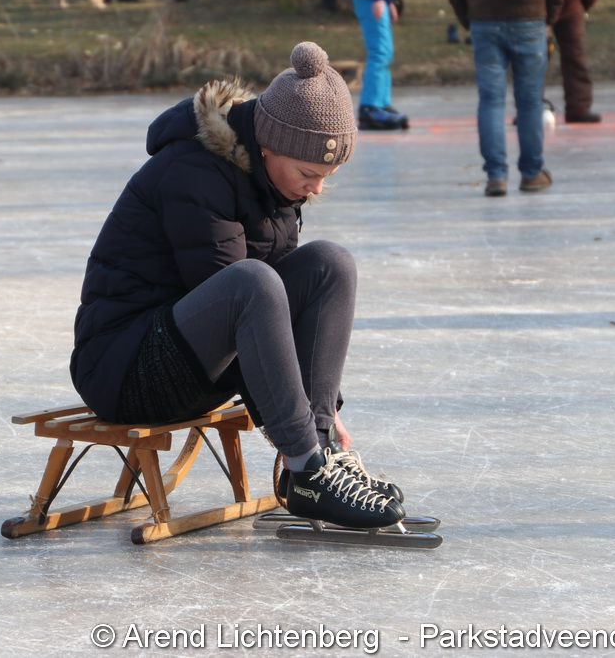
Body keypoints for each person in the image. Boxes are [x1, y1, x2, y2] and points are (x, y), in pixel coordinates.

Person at [69, 41, 406, 530]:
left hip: (195, 363)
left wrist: (323, 415)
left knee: (330, 264)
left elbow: (283, 314)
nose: (315, 188)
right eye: (308, 173)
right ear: (268, 143)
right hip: (125, 369)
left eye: (326, 176)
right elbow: (244, 306)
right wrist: (295, 429)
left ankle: (319, 458)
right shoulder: (193, 172)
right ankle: (307, 468)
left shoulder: (272, 182)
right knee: (251, 281)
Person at [442, 0, 570, 197]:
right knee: (530, 101)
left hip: (484, 16)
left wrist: (467, 15)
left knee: (491, 100)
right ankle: (532, 173)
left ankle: (496, 176)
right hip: (529, 14)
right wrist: (550, 15)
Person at [352, 0, 408, 130]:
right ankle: (370, 107)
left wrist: (389, 1)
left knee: (386, 53)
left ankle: (382, 103)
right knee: (379, 53)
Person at [553, 0, 602, 123]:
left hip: (566, 6)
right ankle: (578, 107)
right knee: (575, 57)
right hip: (563, 4)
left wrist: (582, 4)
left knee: (535, 59)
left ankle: (578, 107)